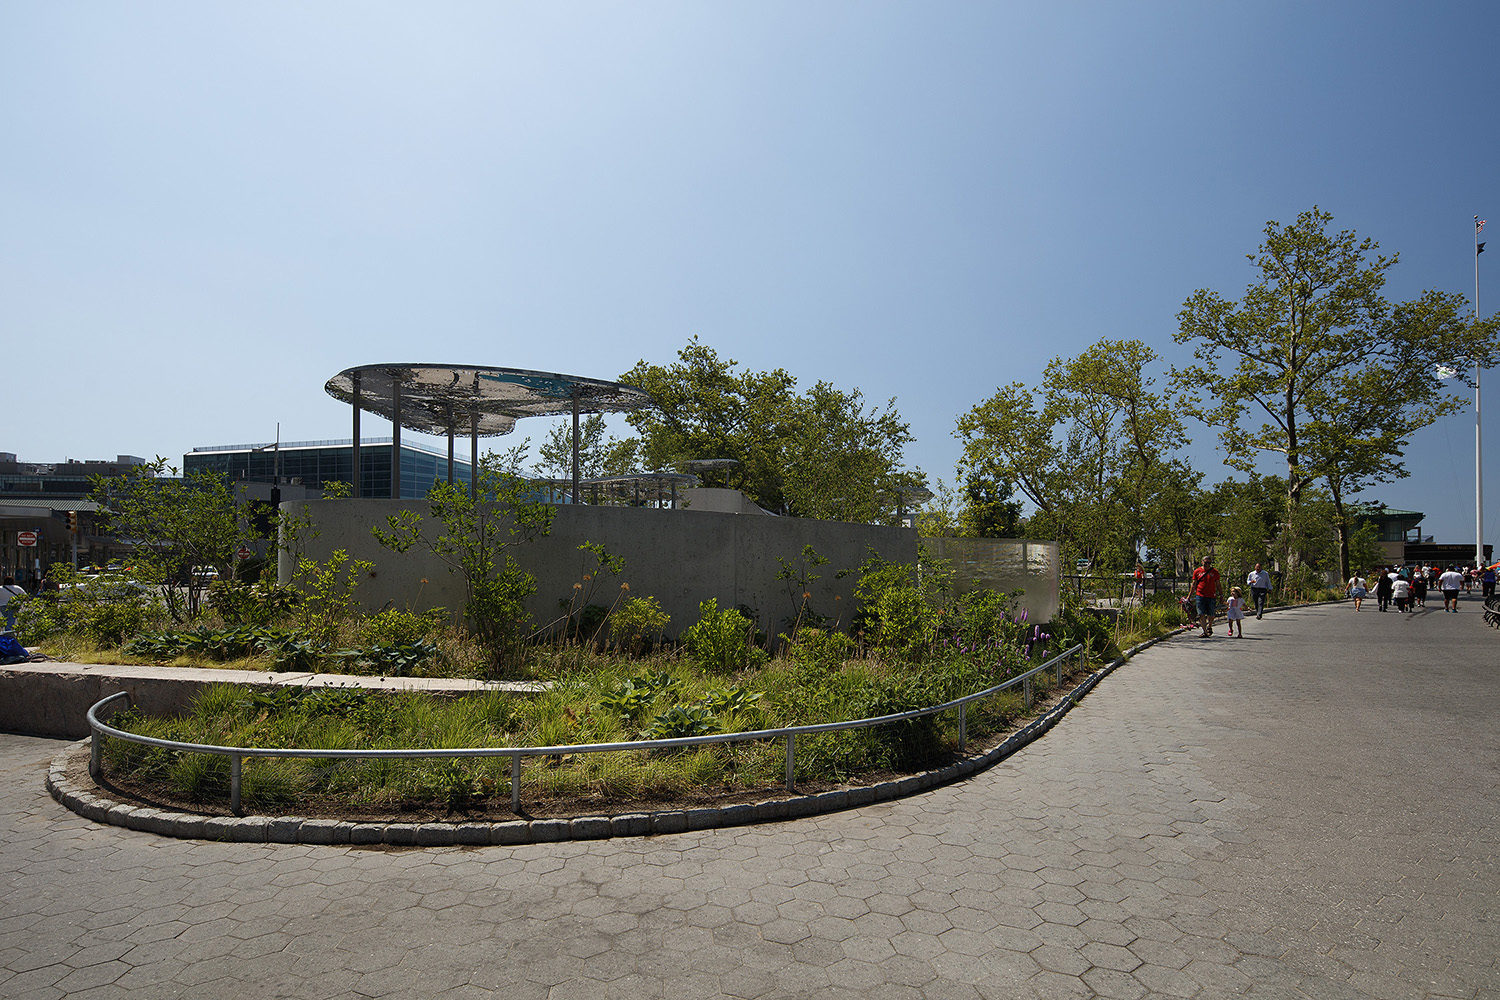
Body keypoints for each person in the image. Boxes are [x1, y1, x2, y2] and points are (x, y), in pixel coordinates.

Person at [1190, 555, 1222, 637]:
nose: (1207, 564)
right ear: (1202, 562)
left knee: (1211, 614)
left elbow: (1218, 584)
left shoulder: (1214, 572)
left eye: (1209, 563)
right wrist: (1189, 596)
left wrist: (1221, 595)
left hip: (1211, 595)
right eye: (1205, 562)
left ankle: (1209, 626)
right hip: (1200, 595)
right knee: (1201, 614)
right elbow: (1193, 584)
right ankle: (1204, 631)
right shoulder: (1197, 571)